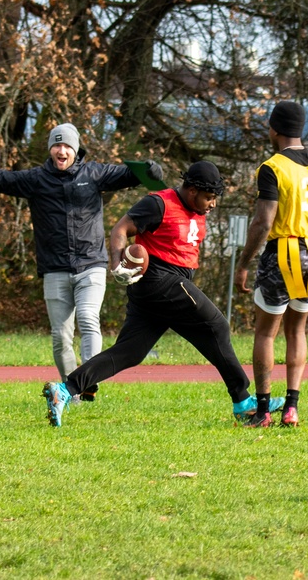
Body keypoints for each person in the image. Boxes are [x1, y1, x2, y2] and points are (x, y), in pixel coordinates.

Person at [44, 162, 284, 427]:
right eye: (209, 198)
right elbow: (120, 230)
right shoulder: (158, 204)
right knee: (217, 325)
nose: (212, 204)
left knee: (130, 352)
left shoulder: (196, 208)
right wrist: (116, 263)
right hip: (158, 280)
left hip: (165, 288)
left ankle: (65, 389)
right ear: (191, 190)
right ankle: (242, 400)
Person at [0, 124, 162, 404]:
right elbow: (0, 179)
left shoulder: (94, 174)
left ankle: (88, 378)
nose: (61, 150)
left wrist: (150, 171)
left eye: (66, 145)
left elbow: (130, 175)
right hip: (54, 269)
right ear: (50, 149)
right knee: (60, 337)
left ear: (75, 149)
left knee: (89, 319)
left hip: (91, 264)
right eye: (56, 145)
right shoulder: (36, 179)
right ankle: (73, 394)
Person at [233, 101, 308, 427]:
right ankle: (292, 407)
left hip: (281, 254)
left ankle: (264, 410)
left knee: (266, 334)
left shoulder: (273, 167)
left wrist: (243, 262)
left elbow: (263, 222)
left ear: (274, 129)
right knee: (297, 330)